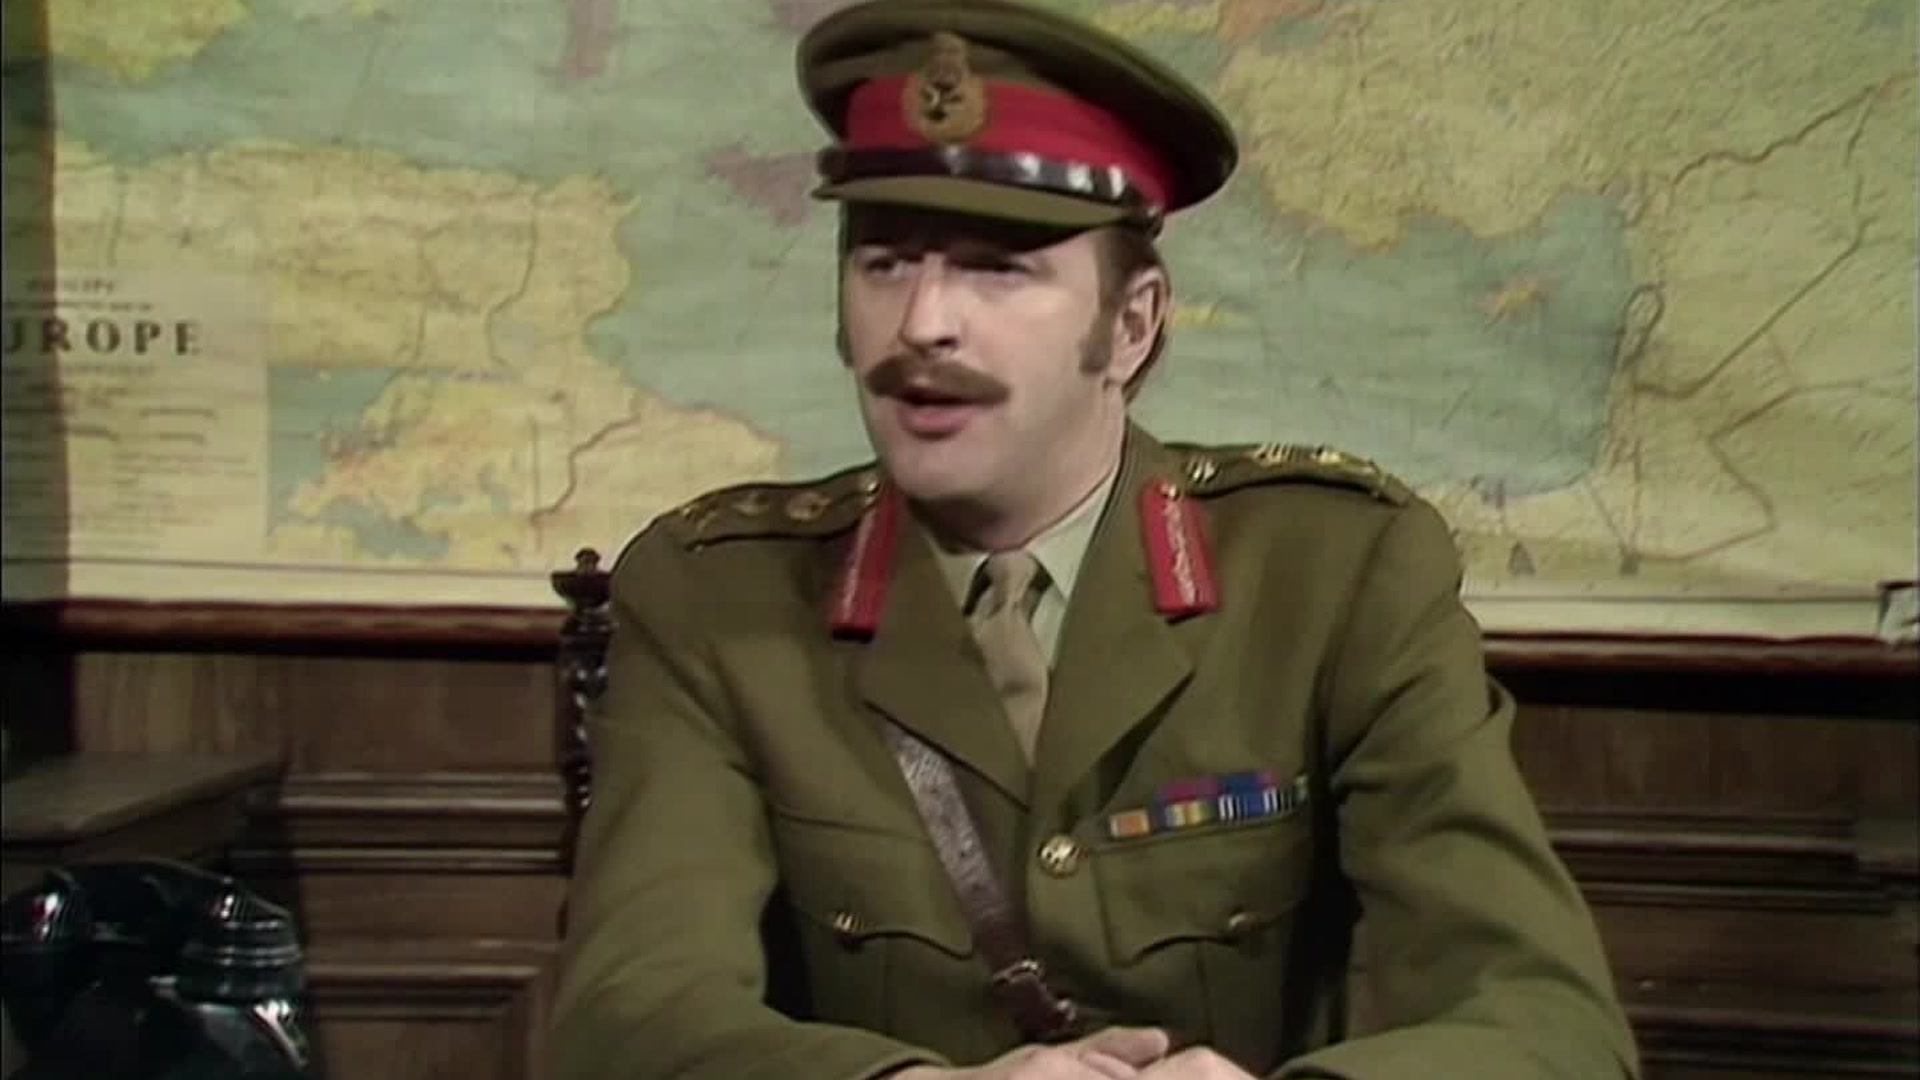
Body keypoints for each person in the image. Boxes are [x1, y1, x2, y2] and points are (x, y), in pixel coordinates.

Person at [549, 1, 1641, 1077]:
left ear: (1131, 325)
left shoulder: (1338, 577)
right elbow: (629, 1021)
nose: (922, 322)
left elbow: (1551, 1027)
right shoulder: (715, 601)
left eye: (997, 267)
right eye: (885, 261)